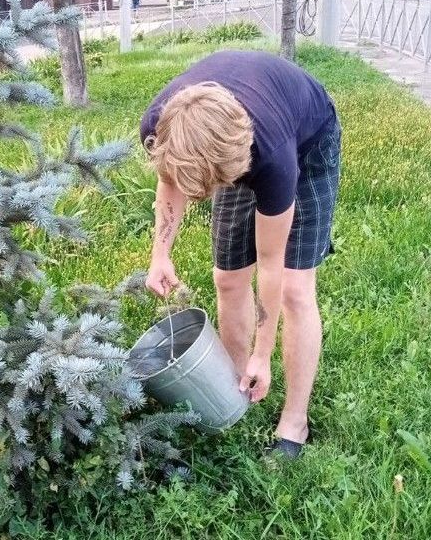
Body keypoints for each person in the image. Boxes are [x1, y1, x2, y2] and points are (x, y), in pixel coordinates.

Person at [141, 50, 341, 458]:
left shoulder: (272, 157)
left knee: (295, 289)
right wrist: (159, 254)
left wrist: (263, 353)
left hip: (308, 140)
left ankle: (294, 424)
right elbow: (170, 182)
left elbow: (272, 264)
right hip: (222, 135)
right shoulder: (161, 125)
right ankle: (235, 390)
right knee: (229, 278)